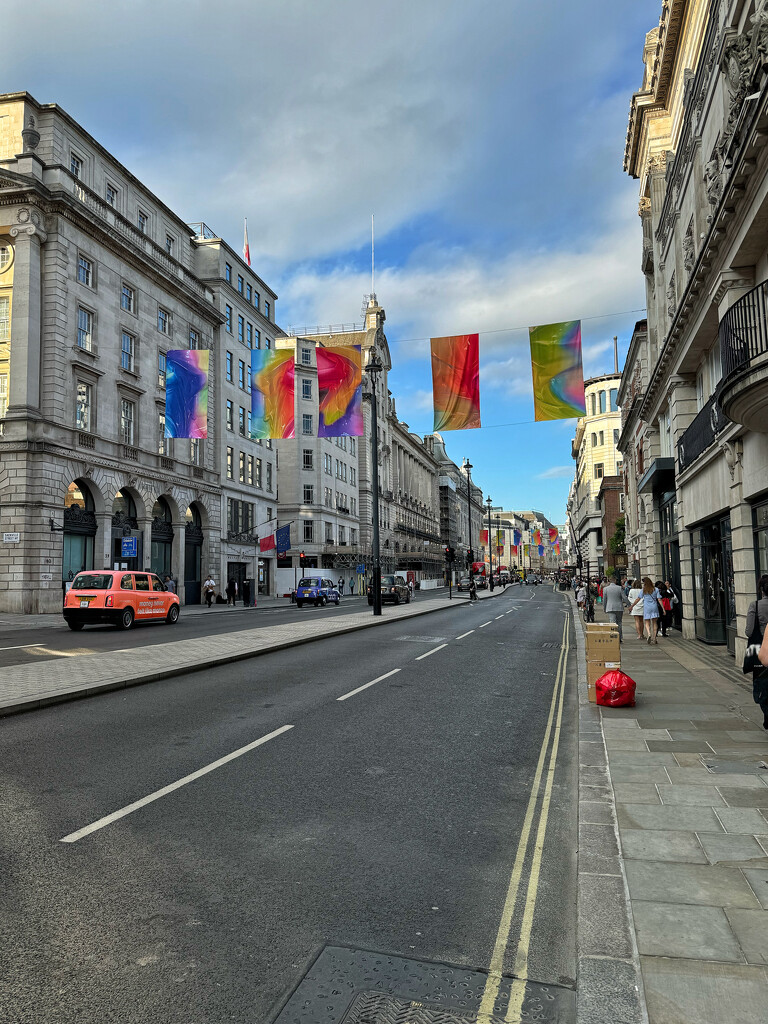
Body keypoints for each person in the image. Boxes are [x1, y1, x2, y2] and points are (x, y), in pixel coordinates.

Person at [746, 576, 768, 729]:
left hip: (761, 651)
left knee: (762, 687)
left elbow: (748, 631)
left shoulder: (755, 605)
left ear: (761, 589)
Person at [630, 576, 661, 644]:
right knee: (654, 623)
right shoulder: (656, 589)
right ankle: (654, 638)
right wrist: (663, 609)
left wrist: (632, 605)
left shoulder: (643, 590)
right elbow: (659, 599)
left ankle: (649, 634)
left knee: (647, 622)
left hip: (647, 607)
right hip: (654, 607)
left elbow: (638, 599)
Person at [603, 575, 630, 642]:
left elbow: (604, 600)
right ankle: (620, 638)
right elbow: (625, 598)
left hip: (610, 607)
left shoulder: (605, 589)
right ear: (615, 581)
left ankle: (613, 637)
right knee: (619, 622)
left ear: (609, 581)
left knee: (612, 623)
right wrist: (629, 605)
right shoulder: (619, 588)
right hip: (619, 607)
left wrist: (604, 608)